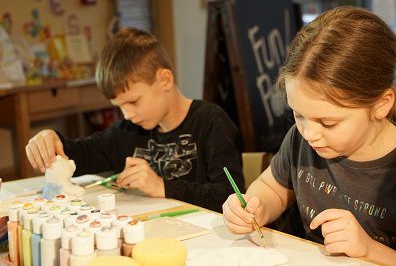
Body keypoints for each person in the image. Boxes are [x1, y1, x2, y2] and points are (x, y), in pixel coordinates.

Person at [222, 6, 396, 265]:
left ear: (380, 105)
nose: (310, 134)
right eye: (298, 115)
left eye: (328, 122)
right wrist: (254, 206)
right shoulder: (301, 140)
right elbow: (272, 188)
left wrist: (369, 249)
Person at [25, 27, 244, 212]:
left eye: (134, 102)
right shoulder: (128, 131)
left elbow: (231, 194)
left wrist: (162, 187)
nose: (127, 114)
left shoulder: (211, 122)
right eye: (119, 107)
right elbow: (82, 155)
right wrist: (51, 142)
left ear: (165, 80)